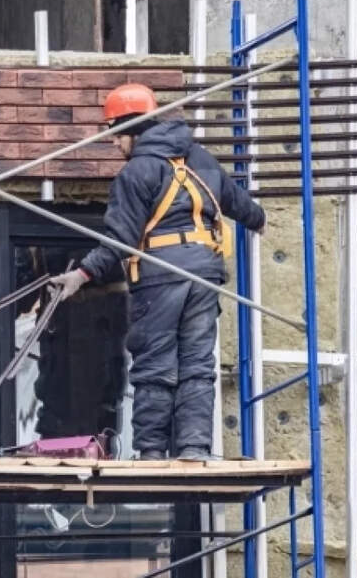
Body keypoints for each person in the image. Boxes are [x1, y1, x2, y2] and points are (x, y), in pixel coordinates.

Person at [49, 83, 266, 461]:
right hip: (204, 275)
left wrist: (81, 275)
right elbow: (243, 207)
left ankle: (151, 451)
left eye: (117, 134)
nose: (115, 143)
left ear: (132, 128)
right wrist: (259, 220)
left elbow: (120, 240)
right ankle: (194, 447)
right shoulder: (201, 161)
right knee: (197, 363)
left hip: (161, 276)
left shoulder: (137, 172)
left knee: (154, 364)